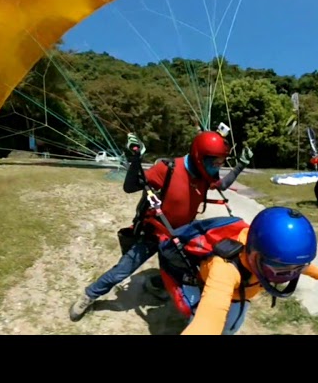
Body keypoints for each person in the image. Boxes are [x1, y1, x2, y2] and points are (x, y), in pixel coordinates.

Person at [68, 129, 254, 322]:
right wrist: (135, 159)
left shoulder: (204, 175)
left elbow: (222, 185)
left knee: (185, 269)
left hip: (180, 236)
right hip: (154, 233)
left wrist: (241, 165)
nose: (216, 168)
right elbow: (130, 186)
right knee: (122, 270)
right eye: (213, 163)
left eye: (220, 163)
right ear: (200, 157)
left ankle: (158, 282)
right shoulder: (168, 168)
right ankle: (89, 295)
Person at [158, 206, 318, 335]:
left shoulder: (268, 255)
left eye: (294, 269)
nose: (287, 275)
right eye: (279, 270)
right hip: (217, 292)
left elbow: (300, 266)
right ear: (254, 255)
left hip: (242, 295)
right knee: (207, 320)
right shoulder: (225, 268)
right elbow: (209, 319)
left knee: (230, 327)